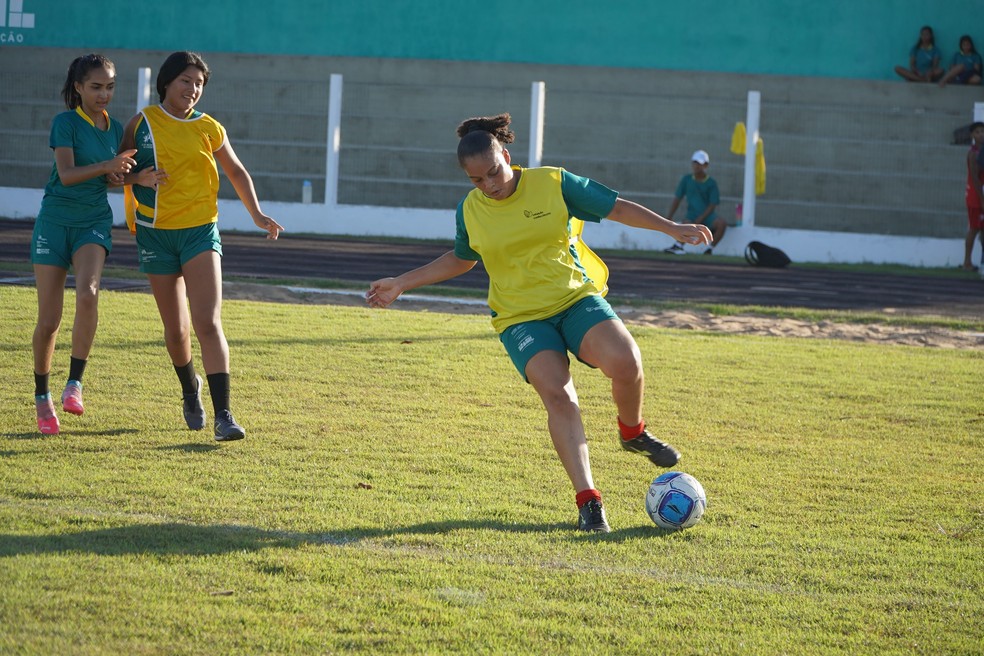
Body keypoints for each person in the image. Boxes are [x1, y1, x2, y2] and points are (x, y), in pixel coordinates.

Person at [366, 113, 712, 533]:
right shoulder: (470, 210)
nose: (489, 185)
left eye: (493, 172)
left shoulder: (553, 183)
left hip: (574, 299)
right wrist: (402, 282)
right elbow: (461, 258)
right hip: (520, 318)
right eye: (476, 180)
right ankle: (589, 502)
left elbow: (615, 207)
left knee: (627, 361)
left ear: (506, 157)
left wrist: (671, 227)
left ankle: (632, 432)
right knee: (559, 397)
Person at [119, 51, 284, 442]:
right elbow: (115, 173)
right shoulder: (141, 123)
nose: (193, 89)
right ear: (166, 82)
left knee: (207, 322)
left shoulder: (209, 127)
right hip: (155, 234)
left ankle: (224, 415)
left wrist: (257, 214)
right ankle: (189, 390)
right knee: (176, 332)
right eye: (186, 81)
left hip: (199, 232)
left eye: (199, 84)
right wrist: (137, 178)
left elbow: (236, 171)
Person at [30, 54, 151, 435]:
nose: (104, 94)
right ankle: (42, 396)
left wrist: (135, 178)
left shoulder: (115, 129)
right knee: (49, 321)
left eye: (110, 87)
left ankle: (74, 384)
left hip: (93, 222)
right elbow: (67, 175)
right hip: (54, 222)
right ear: (78, 87)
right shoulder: (65, 123)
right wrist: (108, 166)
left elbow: (110, 177)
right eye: (96, 87)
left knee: (89, 293)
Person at [663, 150, 724, 255]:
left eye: (700, 163)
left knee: (721, 224)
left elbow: (713, 204)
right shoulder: (686, 179)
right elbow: (677, 198)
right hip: (692, 215)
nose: (696, 166)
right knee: (686, 225)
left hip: (708, 216)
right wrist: (669, 216)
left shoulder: (712, 183)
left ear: (706, 165)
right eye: (695, 163)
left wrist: (701, 218)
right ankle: (678, 246)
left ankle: (709, 249)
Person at [963, 122, 984, 271]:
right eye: (977, 132)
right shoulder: (973, 153)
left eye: (983, 131)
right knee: (974, 229)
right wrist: (982, 200)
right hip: (976, 197)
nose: (981, 134)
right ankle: (967, 262)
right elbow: (976, 179)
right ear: (972, 135)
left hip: (980, 195)